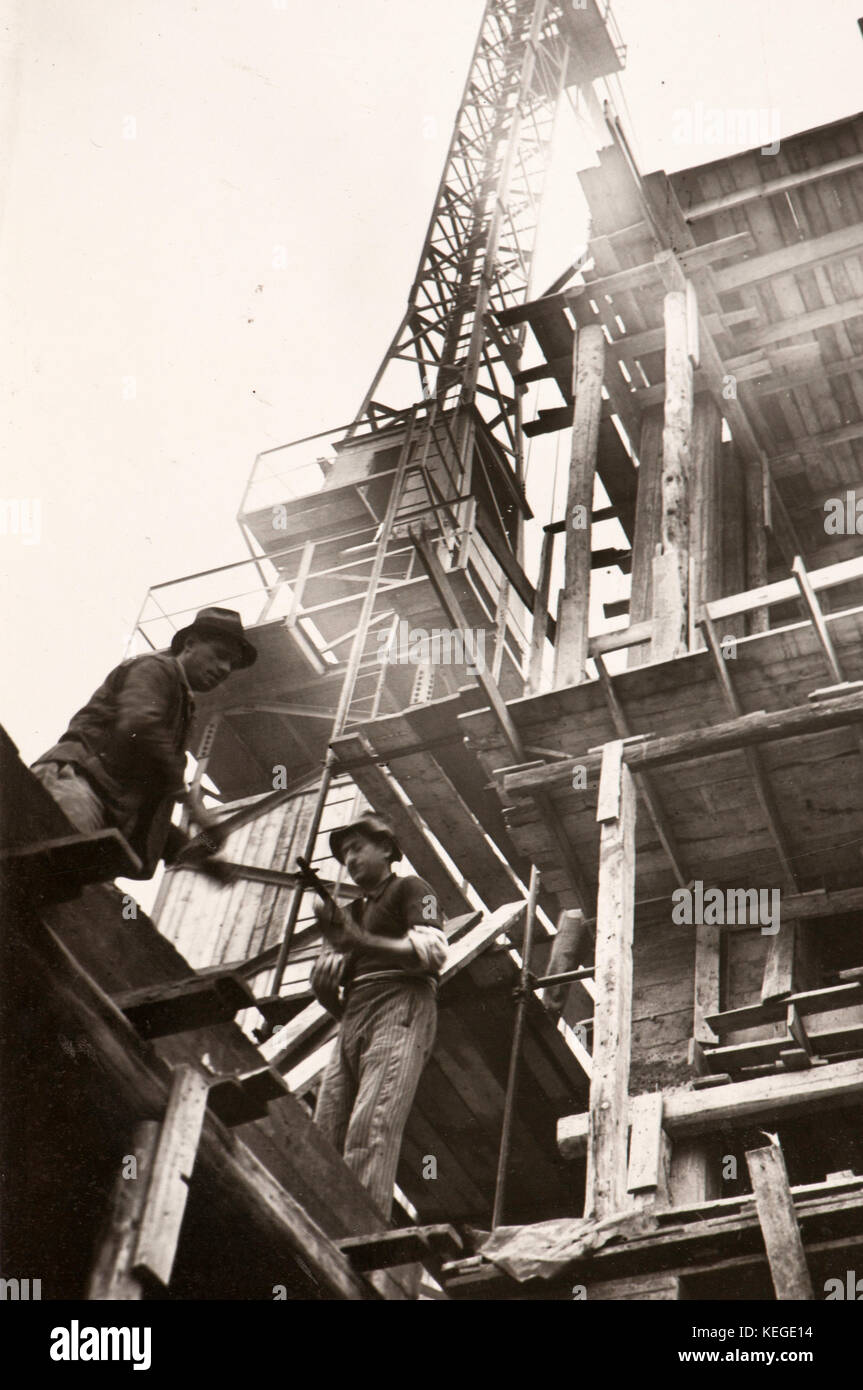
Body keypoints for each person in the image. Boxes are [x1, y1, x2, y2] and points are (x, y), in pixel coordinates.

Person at [31, 606, 256, 880]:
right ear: (190, 644)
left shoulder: (182, 711)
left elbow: (152, 805)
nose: (224, 669)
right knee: (50, 874)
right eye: (220, 655)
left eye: (231, 664)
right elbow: (138, 724)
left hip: (101, 808)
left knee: (68, 885)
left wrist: (201, 857)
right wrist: (192, 805)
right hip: (76, 784)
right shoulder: (155, 669)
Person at [310, 814, 447, 1220]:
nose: (348, 859)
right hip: (355, 1014)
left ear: (386, 848)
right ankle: (317, 1226)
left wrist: (363, 940)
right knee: (326, 1131)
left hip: (401, 1004)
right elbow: (343, 1005)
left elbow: (435, 953)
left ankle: (359, 1231)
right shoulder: (352, 911)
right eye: (343, 855)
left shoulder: (413, 888)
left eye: (356, 848)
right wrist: (322, 990)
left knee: (371, 1127)